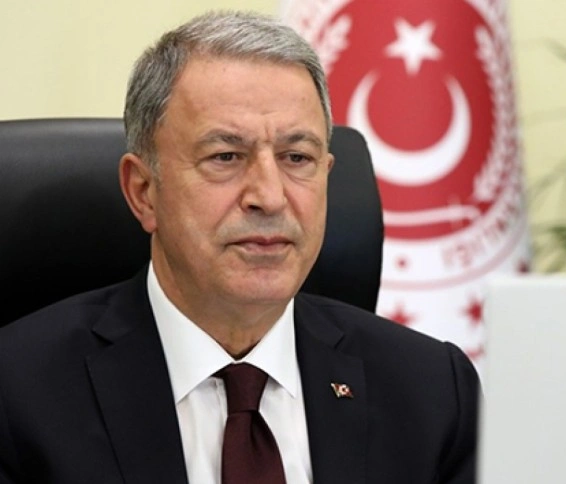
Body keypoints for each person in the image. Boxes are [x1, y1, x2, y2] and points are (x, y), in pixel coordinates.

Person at [0, 11, 480, 484]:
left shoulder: (433, 392)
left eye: (297, 158)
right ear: (144, 192)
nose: (270, 196)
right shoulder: (17, 395)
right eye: (225, 156)